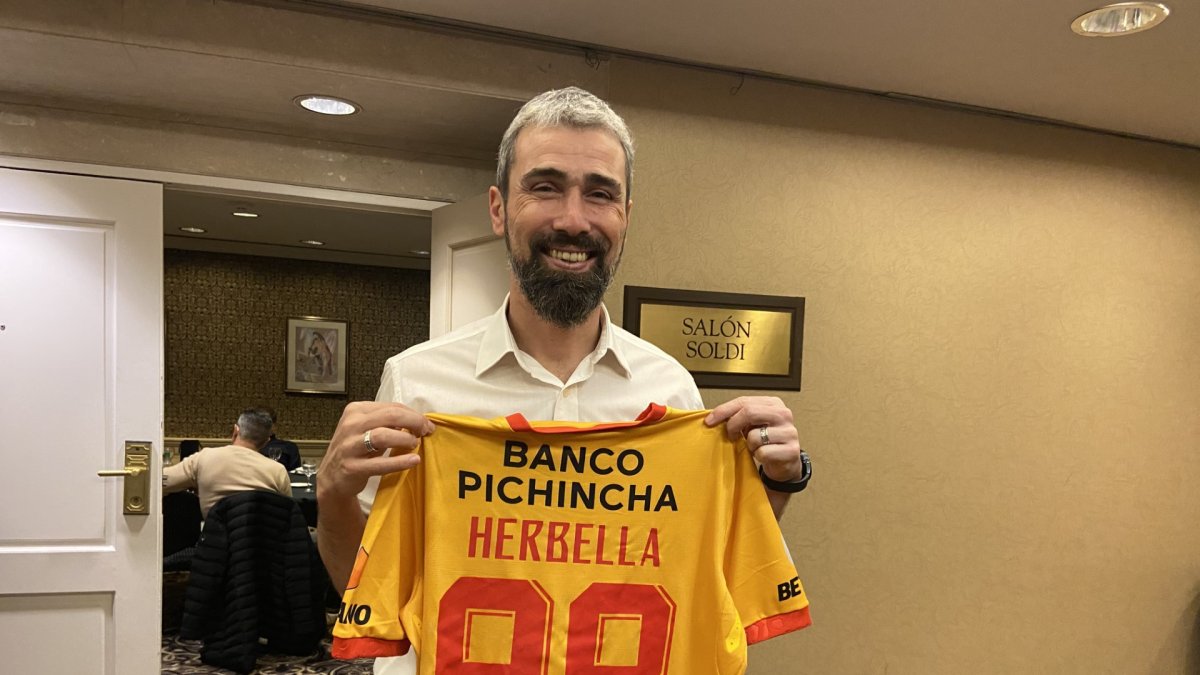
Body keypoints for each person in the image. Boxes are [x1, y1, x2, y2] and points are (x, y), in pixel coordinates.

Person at [317, 87, 809, 673]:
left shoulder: (672, 390)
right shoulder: (417, 382)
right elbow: (364, 587)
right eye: (545, 187)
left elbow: (709, 565)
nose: (573, 219)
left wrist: (775, 481)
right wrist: (333, 493)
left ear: (625, 217)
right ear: (498, 208)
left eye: (600, 194)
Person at [164, 407, 292, 517]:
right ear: (266, 441)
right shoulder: (278, 471)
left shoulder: (203, 458)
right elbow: (289, 515)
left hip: (215, 537)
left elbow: (161, 481)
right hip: (262, 538)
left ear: (235, 430)